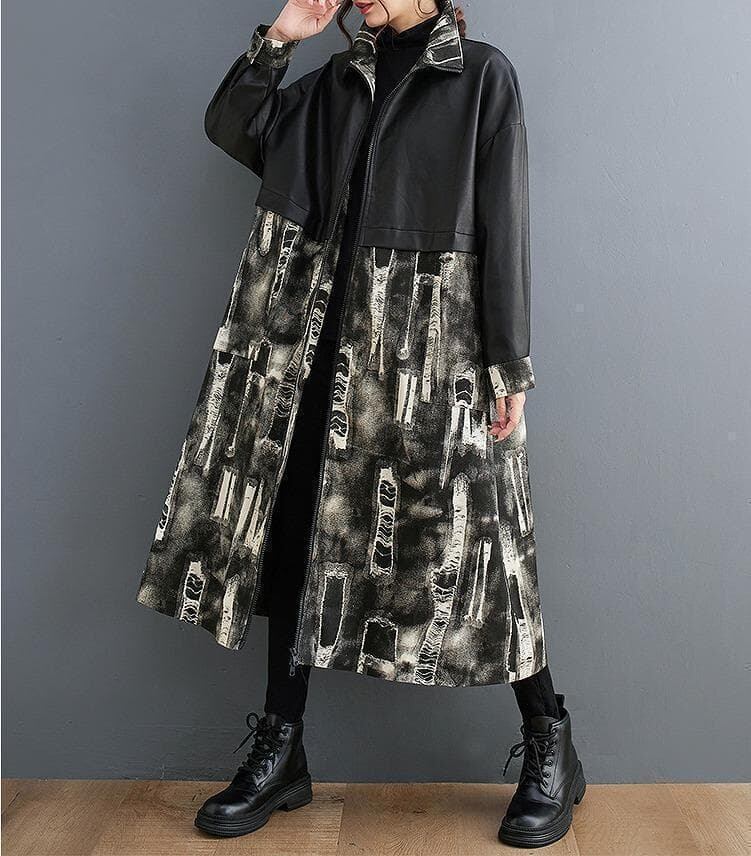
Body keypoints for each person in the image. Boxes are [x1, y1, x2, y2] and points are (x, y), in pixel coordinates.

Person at [136, 0, 585, 847]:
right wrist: (280, 39)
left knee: (482, 549)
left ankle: (548, 739)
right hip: (307, 350)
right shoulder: (335, 81)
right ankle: (282, 748)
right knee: (294, 531)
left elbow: (504, 221)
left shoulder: (480, 75)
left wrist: (507, 362)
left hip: (425, 355)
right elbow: (237, 128)